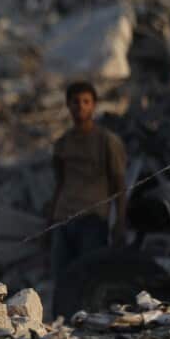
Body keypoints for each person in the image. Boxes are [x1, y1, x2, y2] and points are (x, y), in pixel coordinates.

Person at [47, 81, 127, 283]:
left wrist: (120, 221)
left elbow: (119, 183)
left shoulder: (107, 141)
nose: (80, 106)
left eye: (86, 101)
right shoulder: (62, 143)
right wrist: (50, 220)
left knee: (91, 277)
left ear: (94, 105)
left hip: (93, 218)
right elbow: (60, 183)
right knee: (62, 279)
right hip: (63, 219)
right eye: (75, 102)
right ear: (68, 105)